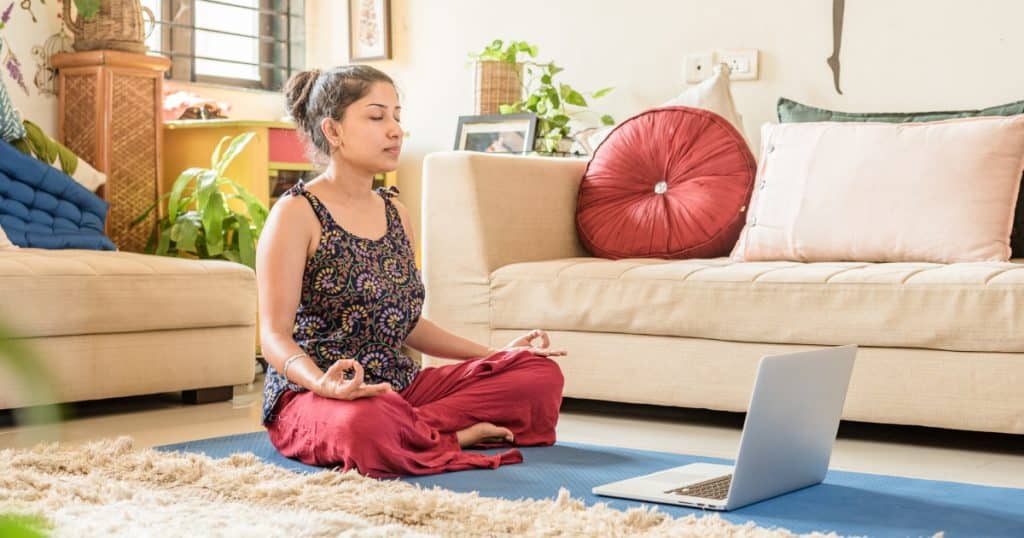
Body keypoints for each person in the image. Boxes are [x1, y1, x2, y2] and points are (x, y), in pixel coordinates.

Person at [256, 65, 566, 478]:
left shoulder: (395, 212)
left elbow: (405, 323)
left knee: (537, 375)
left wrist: (498, 355)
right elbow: (273, 336)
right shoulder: (295, 213)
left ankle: (415, 430)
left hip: (400, 389)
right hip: (315, 396)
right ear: (333, 130)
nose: (395, 130)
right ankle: (447, 434)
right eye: (377, 116)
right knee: (364, 424)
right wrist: (323, 384)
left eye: (398, 116)